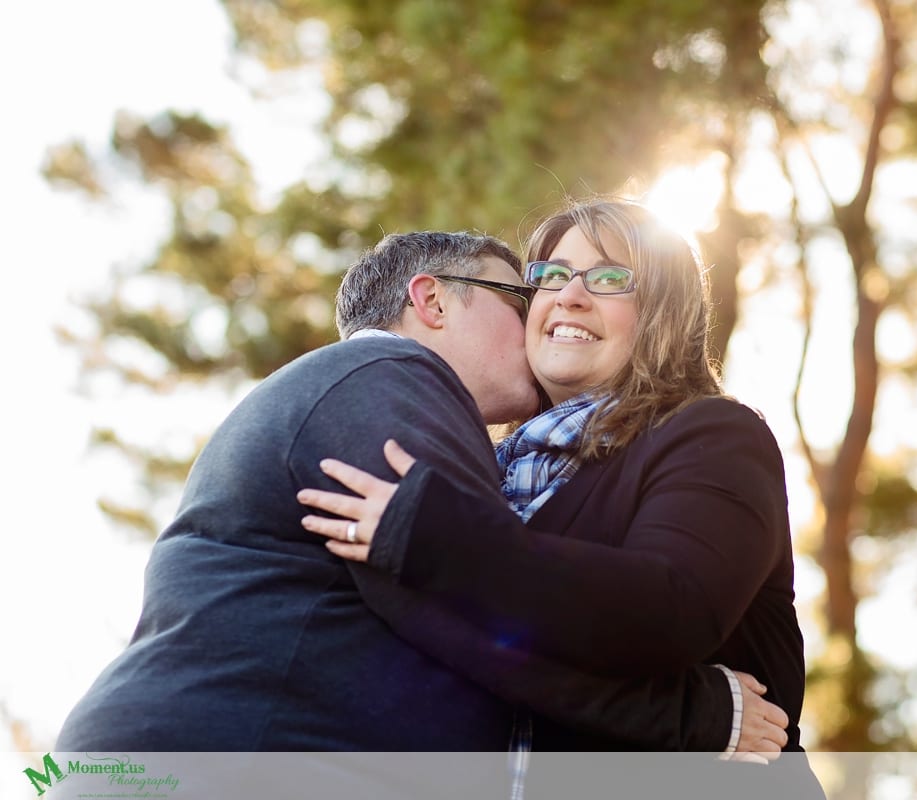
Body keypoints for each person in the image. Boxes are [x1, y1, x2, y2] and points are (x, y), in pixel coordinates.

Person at [54, 230, 786, 776]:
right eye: (526, 292)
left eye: (605, 279)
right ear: (432, 299)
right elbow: (449, 614)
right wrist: (695, 714)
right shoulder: (386, 376)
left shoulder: (647, 443)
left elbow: (492, 595)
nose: (549, 307)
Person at [297, 199, 823, 797]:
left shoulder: (712, 435)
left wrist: (441, 540)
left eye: (609, 278)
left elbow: (672, 610)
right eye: (548, 276)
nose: (569, 296)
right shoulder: (488, 479)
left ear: (662, 314)